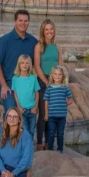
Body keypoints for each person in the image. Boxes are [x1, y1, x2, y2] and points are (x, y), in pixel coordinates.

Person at [0, 10, 38, 115]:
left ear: (28, 22)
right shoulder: (4, 40)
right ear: (15, 21)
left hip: (26, 84)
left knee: (25, 114)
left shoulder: (33, 41)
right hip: (8, 83)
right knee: (11, 112)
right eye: (20, 20)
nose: (23, 23)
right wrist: (3, 85)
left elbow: (37, 65)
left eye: (26, 21)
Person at [34, 19, 63, 150]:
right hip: (43, 81)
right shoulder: (39, 46)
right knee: (42, 113)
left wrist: (58, 83)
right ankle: (40, 143)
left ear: (54, 31)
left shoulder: (58, 47)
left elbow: (61, 67)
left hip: (56, 81)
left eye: (51, 29)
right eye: (46, 29)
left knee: (51, 113)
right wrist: (46, 82)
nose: (49, 32)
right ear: (43, 31)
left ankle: (48, 142)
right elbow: (37, 66)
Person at [43, 66, 73, 153]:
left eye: (60, 74)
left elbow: (70, 100)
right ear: (52, 75)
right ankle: (50, 149)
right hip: (51, 115)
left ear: (63, 76)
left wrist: (63, 104)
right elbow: (46, 101)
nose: (57, 76)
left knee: (60, 133)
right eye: (55, 74)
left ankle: (60, 149)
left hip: (62, 116)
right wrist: (46, 114)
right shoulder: (49, 88)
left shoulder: (65, 88)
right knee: (51, 133)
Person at [12, 55, 40, 140]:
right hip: (22, 110)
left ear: (30, 65)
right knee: (25, 131)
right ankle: (26, 146)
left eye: (27, 63)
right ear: (19, 65)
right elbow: (15, 93)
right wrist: (18, 107)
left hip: (32, 109)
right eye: (22, 63)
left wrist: (36, 107)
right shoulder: (15, 79)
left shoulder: (33, 78)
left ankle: (30, 146)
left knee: (32, 130)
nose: (25, 65)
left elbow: (37, 93)